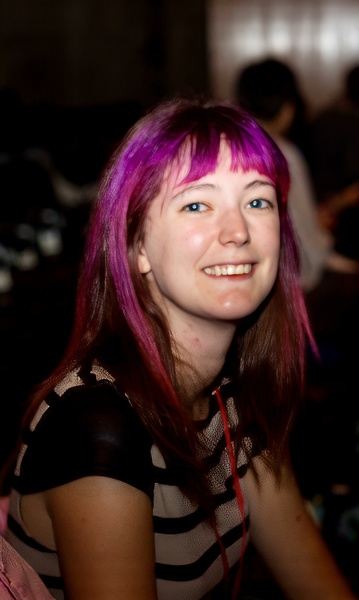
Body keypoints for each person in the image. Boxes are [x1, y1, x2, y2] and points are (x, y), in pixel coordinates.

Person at [1, 98, 356, 600]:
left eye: (258, 202)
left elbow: (311, 578)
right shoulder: (98, 429)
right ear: (137, 247)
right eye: (197, 204)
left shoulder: (235, 391)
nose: (238, 233)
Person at [234, 57, 359, 293]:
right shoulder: (283, 154)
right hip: (289, 285)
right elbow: (308, 248)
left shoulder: (230, 148)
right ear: (288, 108)